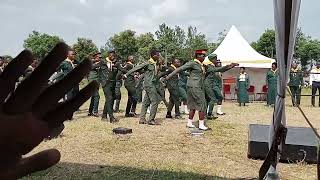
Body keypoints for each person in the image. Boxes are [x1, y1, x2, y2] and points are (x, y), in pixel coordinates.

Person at [0, 42, 98, 179]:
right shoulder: (65, 63)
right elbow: (58, 73)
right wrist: (52, 80)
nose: (74, 55)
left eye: (74, 53)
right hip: (60, 85)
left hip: (70, 85)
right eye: (72, 53)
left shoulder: (72, 63)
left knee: (63, 106)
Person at [166, 49, 209, 130]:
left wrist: (228, 66)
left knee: (192, 105)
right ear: (198, 56)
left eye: (204, 56)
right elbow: (180, 69)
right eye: (203, 56)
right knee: (202, 104)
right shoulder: (193, 63)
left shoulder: (201, 65)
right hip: (195, 87)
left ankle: (189, 122)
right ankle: (201, 124)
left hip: (194, 86)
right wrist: (169, 76)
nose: (204, 57)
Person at [124, 50, 165, 125]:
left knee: (146, 102)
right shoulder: (147, 63)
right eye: (157, 55)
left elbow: (161, 68)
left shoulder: (156, 64)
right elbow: (136, 68)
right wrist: (126, 74)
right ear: (153, 55)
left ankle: (142, 119)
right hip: (149, 85)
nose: (158, 56)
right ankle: (151, 120)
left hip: (153, 84)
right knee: (155, 102)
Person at [203, 54, 238, 119]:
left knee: (208, 100)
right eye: (216, 59)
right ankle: (209, 114)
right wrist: (230, 65)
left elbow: (221, 70)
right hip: (208, 85)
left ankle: (206, 114)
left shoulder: (212, 66)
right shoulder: (210, 66)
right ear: (213, 59)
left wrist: (231, 66)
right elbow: (219, 69)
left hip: (209, 85)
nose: (217, 60)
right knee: (212, 99)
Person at [98, 50, 124, 123]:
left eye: (114, 56)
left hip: (113, 83)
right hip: (105, 84)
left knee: (110, 99)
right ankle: (111, 117)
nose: (113, 57)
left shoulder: (116, 63)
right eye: (111, 55)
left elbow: (122, 69)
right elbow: (96, 69)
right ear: (108, 55)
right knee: (109, 98)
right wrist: (101, 81)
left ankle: (104, 115)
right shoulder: (102, 62)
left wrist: (127, 73)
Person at [88, 52, 101, 117]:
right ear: (95, 57)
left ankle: (90, 111)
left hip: (97, 81)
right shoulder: (91, 62)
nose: (100, 58)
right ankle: (95, 112)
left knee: (93, 97)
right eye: (99, 57)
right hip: (92, 82)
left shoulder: (98, 63)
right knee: (97, 96)